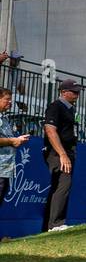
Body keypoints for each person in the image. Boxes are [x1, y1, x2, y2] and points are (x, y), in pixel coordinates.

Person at [42, 78, 80, 232]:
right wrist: (62, 154)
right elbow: (50, 130)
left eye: (78, 92)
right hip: (57, 152)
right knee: (64, 184)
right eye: (74, 92)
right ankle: (56, 224)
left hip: (67, 151)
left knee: (59, 186)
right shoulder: (55, 106)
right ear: (64, 92)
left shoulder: (70, 108)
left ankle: (49, 226)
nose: (77, 95)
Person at [0, 87, 31, 221]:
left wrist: (17, 140)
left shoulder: (4, 118)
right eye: (7, 99)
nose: (10, 102)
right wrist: (13, 140)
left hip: (5, 169)